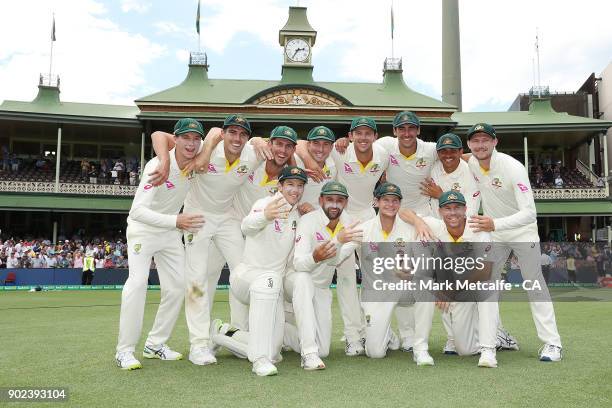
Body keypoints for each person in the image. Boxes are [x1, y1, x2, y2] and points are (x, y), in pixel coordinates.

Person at [149, 114, 263, 365]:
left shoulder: (252, 154)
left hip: (228, 218)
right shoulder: (205, 147)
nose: (237, 138)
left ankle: (242, 334)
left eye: (243, 134)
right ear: (223, 134)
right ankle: (199, 344)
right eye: (232, 132)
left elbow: (285, 146)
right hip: (197, 217)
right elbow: (159, 135)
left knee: (244, 273)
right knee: (197, 280)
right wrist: (167, 159)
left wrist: (260, 140)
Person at [115, 118, 217, 370]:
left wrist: (174, 223)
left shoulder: (194, 161)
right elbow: (137, 211)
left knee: (177, 287)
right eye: (186, 138)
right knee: (137, 284)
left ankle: (155, 344)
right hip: (143, 231)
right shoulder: (158, 164)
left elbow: (216, 134)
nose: (191, 144)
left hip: (170, 232)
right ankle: (124, 351)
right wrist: (176, 220)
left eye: (196, 139)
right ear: (176, 139)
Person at [466, 122, 563, 362]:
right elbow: (453, 156)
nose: (480, 145)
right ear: (470, 144)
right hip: (495, 234)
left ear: (495, 141)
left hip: (522, 232)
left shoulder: (513, 167)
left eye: (485, 140)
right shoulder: (471, 162)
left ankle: (552, 344)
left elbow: (530, 213)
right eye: (475, 141)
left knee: (533, 283)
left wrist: (495, 224)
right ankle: (498, 336)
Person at [210, 166, 307, 376]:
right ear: (280, 186)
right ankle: (259, 360)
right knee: (269, 279)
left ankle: (223, 334)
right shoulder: (265, 204)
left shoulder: (297, 215)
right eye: (290, 184)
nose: (295, 190)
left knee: (274, 352)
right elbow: (246, 227)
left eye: (300, 186)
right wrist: (265, 215)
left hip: (272, 288)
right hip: (247, 277)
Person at [424, 191, 518, 368]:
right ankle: (497, 337)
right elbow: (406, 214)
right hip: (461, 289)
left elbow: (485, 271)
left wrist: (450, 289)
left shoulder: (478, 230)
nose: (453, 213)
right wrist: (417, 223)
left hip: (479, 282)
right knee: (465, 350)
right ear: (440, 212)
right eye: (448, 208)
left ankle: (489, 349)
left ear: (466, 209)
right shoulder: (436, 226)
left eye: (457, 208)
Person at [347, 183, 435, 365]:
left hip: (403, 288)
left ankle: (421, 349)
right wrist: (338, 240)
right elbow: (340, 253)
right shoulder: (363, 229)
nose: (390, 204)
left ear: (400, 204)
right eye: (385, 200)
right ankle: (387, 335)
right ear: (376, 202)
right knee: (375, 353)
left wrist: (412, 273)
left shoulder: (411, 228)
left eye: (395, 201)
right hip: (376, 294)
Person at [284, 181, 362, 370]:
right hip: (295, 280)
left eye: (340, 200)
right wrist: (316, 256)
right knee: (303, 279)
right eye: (329, 200)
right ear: (320, 200)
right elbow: (299, 264)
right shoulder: (308, 220)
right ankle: (308, 354)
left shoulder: (351, 226)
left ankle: (280, 329)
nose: (334, 205)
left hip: (321, 287)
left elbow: (334, 261)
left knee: (324, 350)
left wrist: (336, 242)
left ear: (346, 203)